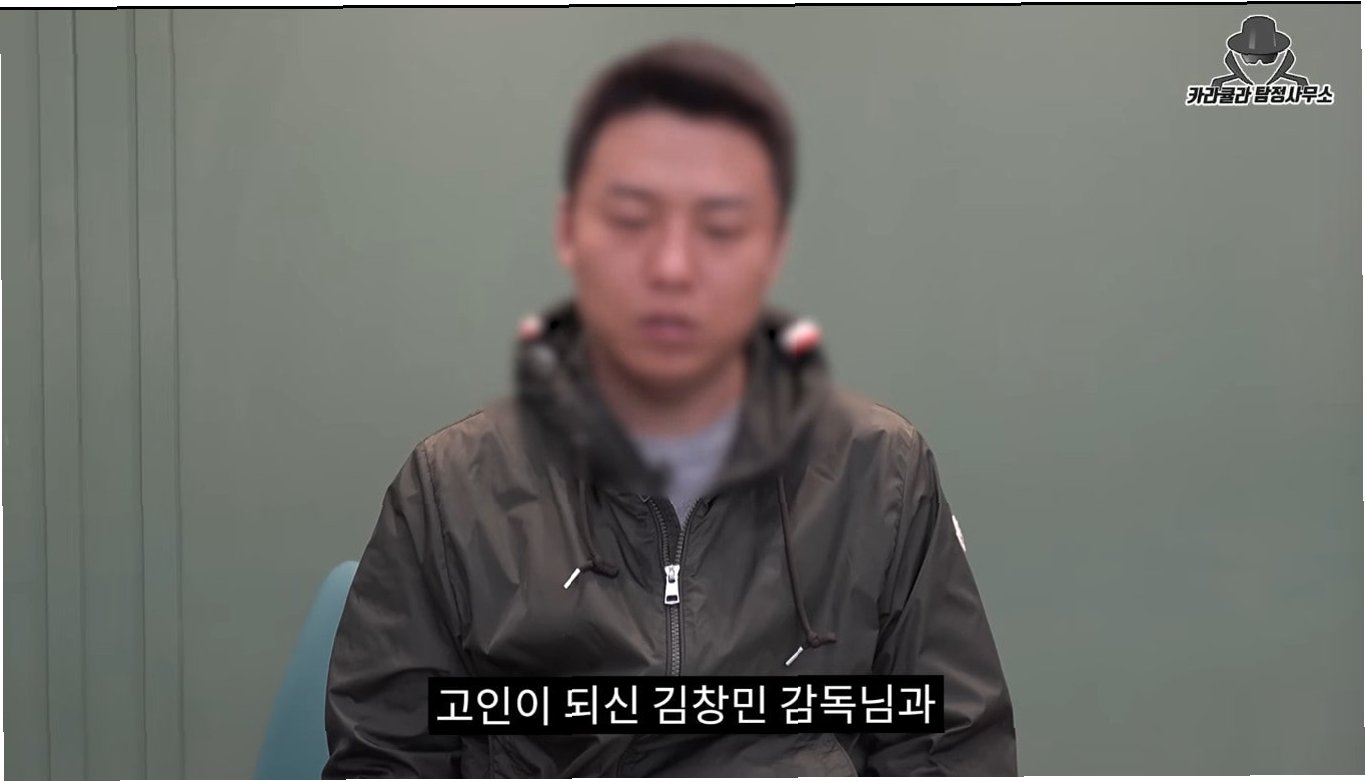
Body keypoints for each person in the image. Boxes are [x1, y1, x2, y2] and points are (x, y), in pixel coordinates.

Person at [323, 38, 1016, 778]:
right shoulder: (449, 490)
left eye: (719, 226)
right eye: (632, 220)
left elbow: (950, 751)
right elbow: (386, 760)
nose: (673, 267)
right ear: (572, 237)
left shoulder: (881, 473)